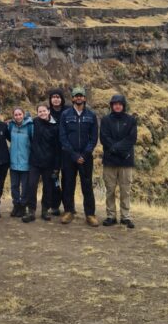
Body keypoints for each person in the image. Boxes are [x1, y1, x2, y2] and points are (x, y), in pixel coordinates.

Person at [60, 86, 99, 227]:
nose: (78, 98)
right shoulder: (65, 115)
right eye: (76, 96)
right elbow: (63, 137)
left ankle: (90, 214)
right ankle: (69, 211)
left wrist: (84, 154)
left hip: (86, 157)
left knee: (87, 186)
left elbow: (94, 138)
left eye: (81, 96)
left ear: (84, 98)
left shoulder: (91, 115)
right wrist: (74, 154)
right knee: (68, 184)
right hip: (69, 156)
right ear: (72, 98)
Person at [100, 94, 137, 229]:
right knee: (110, 190)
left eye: (120, 104)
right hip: (110, 161)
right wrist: (116, 149)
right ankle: (111, 216)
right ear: (111, 105)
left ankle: (125, 217)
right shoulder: (105, 120)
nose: (117, 106)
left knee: (125, 190)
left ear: (123, 105)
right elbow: (104, 138)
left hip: (126, 162)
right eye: (115, 103)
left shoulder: (131, 120)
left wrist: (117, 149)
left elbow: (131, 139)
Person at [22, 103, 59, 223]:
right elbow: (22, 124)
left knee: (48, 187)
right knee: (31, 185)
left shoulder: (55, 126)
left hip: (49, 162)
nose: (42, 113)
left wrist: (56, 165)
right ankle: (31, 211)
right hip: (35, 161)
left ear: (49, 111)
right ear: (37, 113)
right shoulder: (34, 123)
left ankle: (45, 210)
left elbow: (57, 147)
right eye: (40, 112)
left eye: (44, 111)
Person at [8, 107, 33, 217]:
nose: (18, 116)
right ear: (13, 116)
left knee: (25, 186)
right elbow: (9, 138)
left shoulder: (30, 126)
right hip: (13, 162)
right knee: (14, 186)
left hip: (26, 162)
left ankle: (23, 207)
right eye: (16, 115)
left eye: (20, 114)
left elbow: (33, 142)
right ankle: (16, 205)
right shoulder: (11, 126)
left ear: (24, 114)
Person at [48, 87, 69, 215]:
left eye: (58, 97)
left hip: (66, 152)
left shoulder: (68, 111)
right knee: (53, 180)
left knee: (67, 181)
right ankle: (54, 205)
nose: (56, 99)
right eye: (53, 97)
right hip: (52, 153)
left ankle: (68, 207)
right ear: (50, 100)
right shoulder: (47, 113)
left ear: (62, 99)